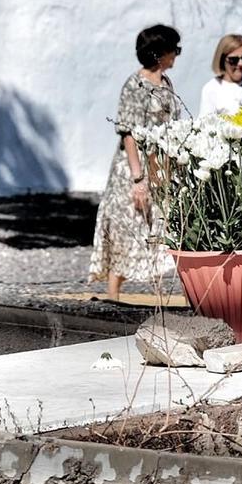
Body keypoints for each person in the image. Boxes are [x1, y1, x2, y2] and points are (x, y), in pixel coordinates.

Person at [89, 23, 188, 299]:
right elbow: (128, 133)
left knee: (161, 231)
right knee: (129, 230)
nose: (177, 55)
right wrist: (138, 179)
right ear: (160, 53)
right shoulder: (134, 85)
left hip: (161, 166)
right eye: (174, 50)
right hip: (135, 168)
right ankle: (113, 297)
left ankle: (159, 301)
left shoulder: (165, 83)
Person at [199, 33, 242, 117]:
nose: (241, 63)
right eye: (234, 60)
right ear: (222, 60)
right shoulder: (212, 89)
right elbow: (205, 125)